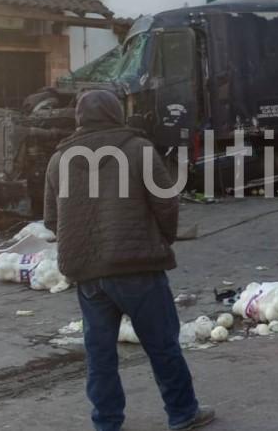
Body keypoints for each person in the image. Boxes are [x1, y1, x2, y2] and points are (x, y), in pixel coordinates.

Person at [44, 90, 214, 431]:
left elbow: (51, 219)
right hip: (138, 267)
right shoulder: (138, 149)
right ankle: (182, 413)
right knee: (162, 344)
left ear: (80, 117)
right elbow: (167, 203)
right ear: (115, 113)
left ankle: (106, 422)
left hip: (88, 274)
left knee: (100, 355)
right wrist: (161, 238)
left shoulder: (59, 159)